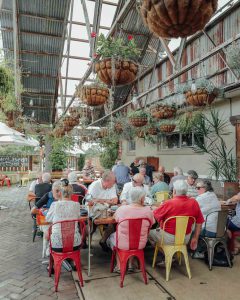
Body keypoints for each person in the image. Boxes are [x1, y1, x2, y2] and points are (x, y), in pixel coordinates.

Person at [107, 187, 155, 272]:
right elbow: (151, 224)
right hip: (140, 244)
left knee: (113, 237)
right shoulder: (148, 211)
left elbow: (115, 219)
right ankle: (130, 264)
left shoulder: (122, 209)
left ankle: (119, 266)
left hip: (123, 243)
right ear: (142, 198)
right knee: (134, 236)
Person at [149, 180, 204, 251]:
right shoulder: (194, 202)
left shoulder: (169, 203)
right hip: (186, 238)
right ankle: (172, 254)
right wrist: (195, 238)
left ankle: (166, 254)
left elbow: (155, 215)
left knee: (148, 233)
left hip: (168, 238)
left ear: (174, 191)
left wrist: (154, 208)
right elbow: (199, 222)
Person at [45, 180, 81, 252]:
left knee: (47, 231)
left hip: (57, 245)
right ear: (72, 193)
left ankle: (52, 256)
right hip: (75, 244)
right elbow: (78, 218)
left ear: (60, 193)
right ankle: (68, 259)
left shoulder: (54, 205)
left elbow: (48, 219)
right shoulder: (77, 205)